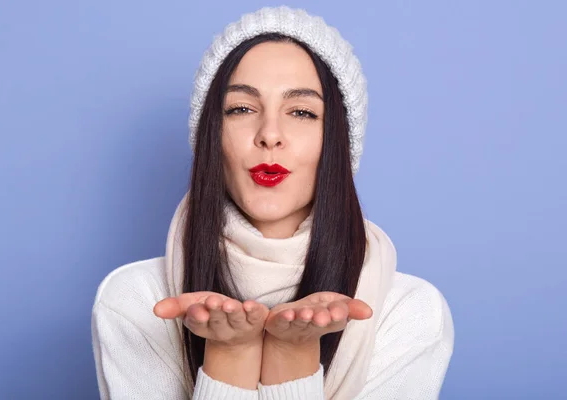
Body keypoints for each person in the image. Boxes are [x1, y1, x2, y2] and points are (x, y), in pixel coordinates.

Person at [91, 6, 454, 400]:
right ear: (212, 135)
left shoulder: (409, 311)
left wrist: (291, 354)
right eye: (242, 109)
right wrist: (231, 354)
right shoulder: (134, 303)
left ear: (338, 142)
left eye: (301, 111)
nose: (270, 135)